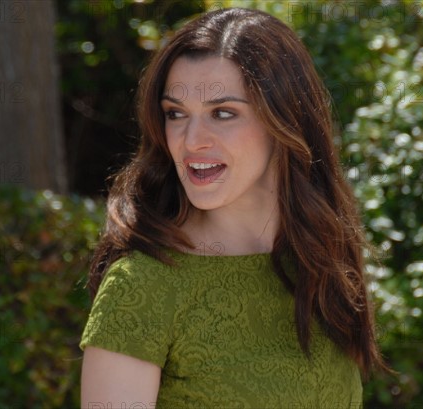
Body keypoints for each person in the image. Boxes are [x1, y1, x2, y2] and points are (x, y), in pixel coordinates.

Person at [79, 7, 388, 408]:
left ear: (285, 122)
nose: (192, 141)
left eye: (223, 113)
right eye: (176, 114)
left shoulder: (318, 261)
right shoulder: (142, 285)